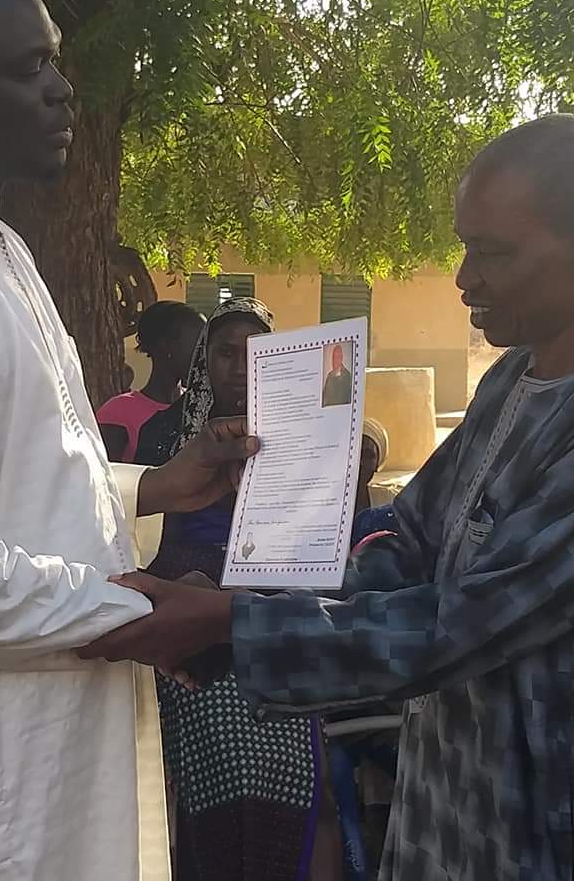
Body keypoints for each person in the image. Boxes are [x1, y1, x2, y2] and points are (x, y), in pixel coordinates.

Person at [82, 115, 574, 881]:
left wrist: (234, 623)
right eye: (464, 247)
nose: (464, 279)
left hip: (535, 823)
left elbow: (458, 624)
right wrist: (241, 607)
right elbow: (406, 544)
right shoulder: (511, 384)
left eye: (495, 252)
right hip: (444, 812)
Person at [0, 0, 257, 881]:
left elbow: (15, 473)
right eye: (29, 67)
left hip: (52, 739)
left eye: (57, 61)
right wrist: (142, 613)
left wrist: (156, 485)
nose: (63, 90)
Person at [134, 297, 342, 881]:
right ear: (205, 358)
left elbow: (325, 533)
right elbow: (137, 532)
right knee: (221, 775)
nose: (241, 367)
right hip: (188, 615)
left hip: (274, 613)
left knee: (306, 781)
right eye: (226, 352)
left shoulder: (303, 436)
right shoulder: (164, 434)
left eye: (256, 353)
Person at [97, 301, 205, 461]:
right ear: (166, 346)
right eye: (197, 346)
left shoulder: (200, 407)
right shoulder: (118, 411)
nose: (204, 356)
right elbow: (105, 473)